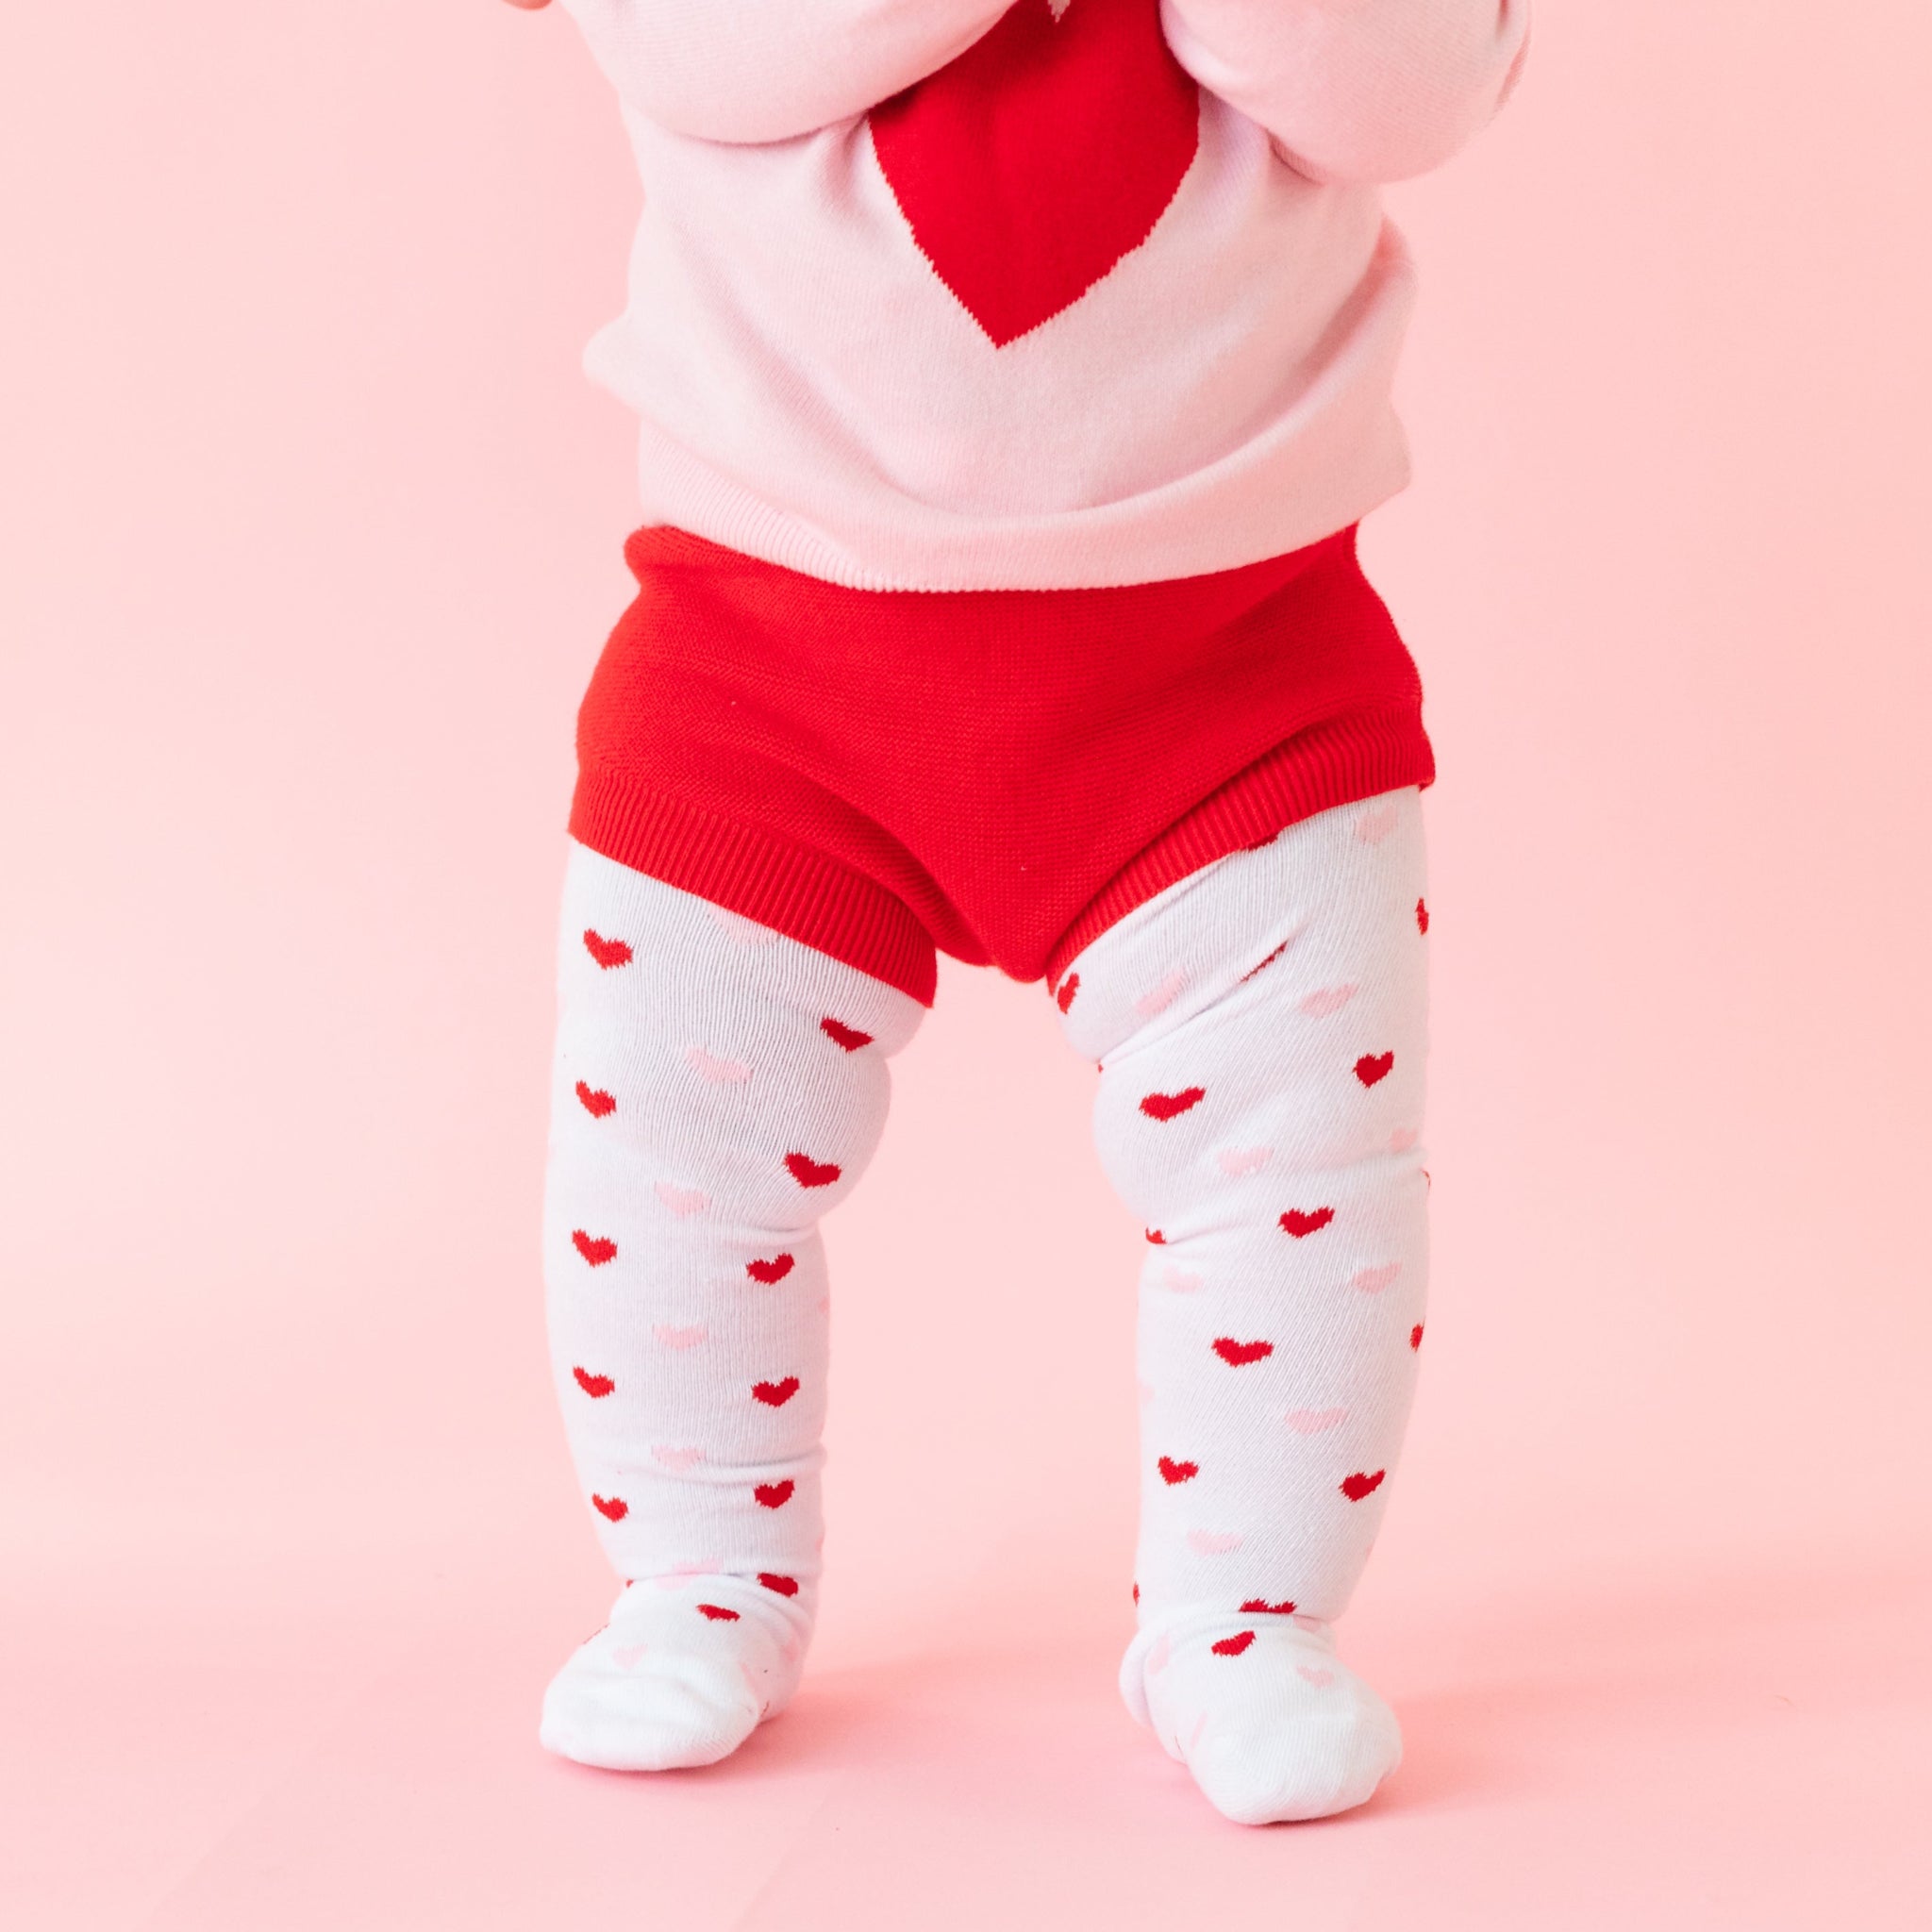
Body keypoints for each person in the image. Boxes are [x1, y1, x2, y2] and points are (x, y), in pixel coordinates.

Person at [507, 0, 1528, 1824]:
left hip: (1232, 677)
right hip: (769, 664)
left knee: (1302, 1175)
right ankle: (695, 1582)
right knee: (672, 1153)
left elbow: (1400, 95)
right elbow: (708, 55)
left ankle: (1248, 1624)